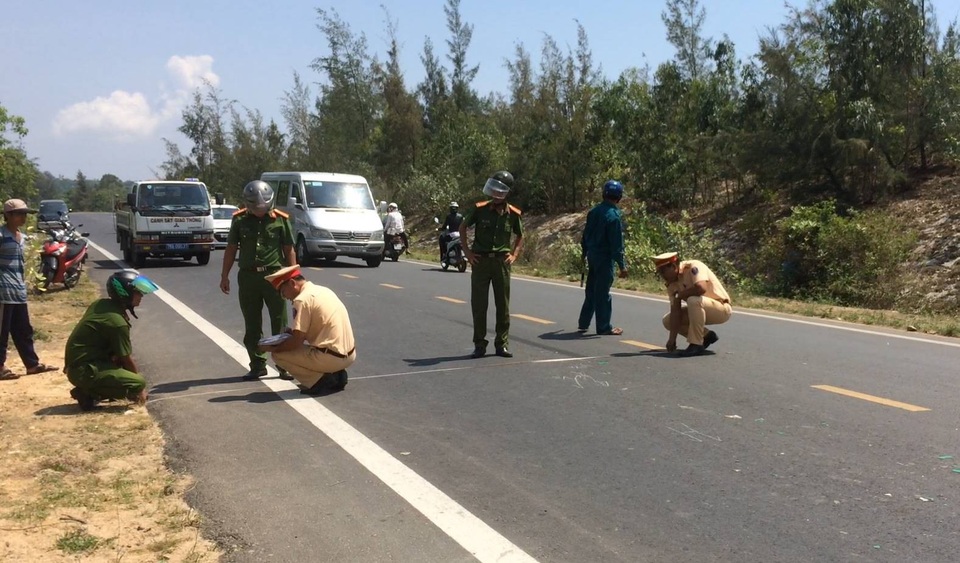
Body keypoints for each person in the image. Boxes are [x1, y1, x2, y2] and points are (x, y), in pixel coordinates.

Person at [219, 180, 296, 380]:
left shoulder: (281, 220)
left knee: (279, 321)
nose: (259, 211)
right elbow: (231, 249)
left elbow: (289, 249)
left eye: (263, 207)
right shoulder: (239, 220)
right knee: (252, 323)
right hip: (248, 277)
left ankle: (283, 365)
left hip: (275, 277)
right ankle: (257, 364)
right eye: (255, 207)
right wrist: (224, 276)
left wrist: (293, 277)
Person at [64, 270, 159, 410]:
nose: (141, 295)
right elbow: (126, 358)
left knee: (121, 368)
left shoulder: (102, 304)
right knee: (137, 382)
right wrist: (139, 390)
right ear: (124, 293)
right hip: (84, 370)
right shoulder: (117, 322)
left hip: (78, 365)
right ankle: (88, 393)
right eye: (138, 292)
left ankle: (91, 389)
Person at [259, 265, 356, 395]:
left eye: (282, 292)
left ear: (292, 283)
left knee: (278, 355)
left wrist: (273, 347)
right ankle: (336, 374)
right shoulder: (323, 290)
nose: (285, 297)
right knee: (295, 345)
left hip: (330, 358)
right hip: (349, 356)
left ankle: (319, 381)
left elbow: (297, 341)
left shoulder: (302, 300)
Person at [460, 170, 524, 358]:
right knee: (479, 305)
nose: (496, 195)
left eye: (500, 191)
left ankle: (501, 344)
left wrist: (514, 254)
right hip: (481, 261)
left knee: (502, 306)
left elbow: (520, 234)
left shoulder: (513, 213)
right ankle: (479, 344)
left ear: (506, 193)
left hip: (501, 263)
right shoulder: (479, 209)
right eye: (493, 190)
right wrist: (468, 253)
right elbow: (463, 227)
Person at [0, 199, 57, 381]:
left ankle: (32, 364)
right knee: (2, 331)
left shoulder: (21, 237)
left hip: (18, 290)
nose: (23, 217)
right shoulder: (1, 235)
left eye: (25, 214)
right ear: (8, 215)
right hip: (2, 291)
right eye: (19, 214)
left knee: (24, 330)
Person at [653, 252, 732, 357]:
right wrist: (672, 339)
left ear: (673, 266)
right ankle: (706, 336)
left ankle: (696, 344)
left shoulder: (693, 267)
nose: (662, 275)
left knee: (693, 300)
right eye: (659, 272)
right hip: (698, 310)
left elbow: (701, 288)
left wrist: (680, 295)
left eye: (663, 272)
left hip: (720, 308)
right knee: (668, 320)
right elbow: (676, 311)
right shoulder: (672, 284)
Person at [577, 180, 628, 336]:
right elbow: (616, 244)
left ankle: (583, 323)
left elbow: (585, 236)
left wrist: (584, 254)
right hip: (604, 258)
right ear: (619, 197)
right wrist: (622, 265)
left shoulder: (594, 211)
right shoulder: (613, 216)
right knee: (603, 293)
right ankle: (604, 326)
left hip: (592, 255)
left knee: (591, 289)